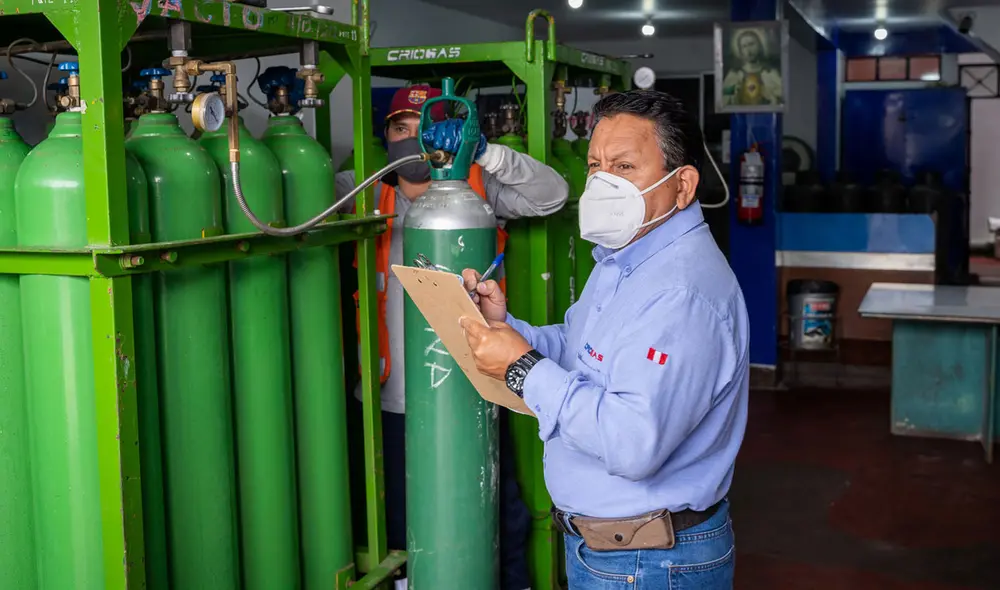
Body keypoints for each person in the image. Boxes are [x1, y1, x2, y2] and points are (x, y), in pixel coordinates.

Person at [458, 89, 749, 588]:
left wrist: (522, 367)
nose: (601, 183)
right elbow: (580, 348)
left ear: (682, 185)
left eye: (624, 166)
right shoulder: (626, 257)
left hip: (649, 563)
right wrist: (509, 332)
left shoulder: (681, 295)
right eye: (595, 166)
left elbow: (632, 443)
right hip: (616, 551)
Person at [336, 83, 569, 590]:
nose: (415, 141)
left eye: (426, 129)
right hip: (388, 400)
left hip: (475, 387)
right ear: (387, 136)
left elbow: (552, 195)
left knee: (494, 512)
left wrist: (485, 152)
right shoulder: (362, 190)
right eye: (402, 129)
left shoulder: (478, 192)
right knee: (398, 523)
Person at [722, 28, 782, 106]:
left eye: (751, 44)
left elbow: (781, 96)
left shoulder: (770, 72)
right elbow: (724, 94)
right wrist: (734, 90)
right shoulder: (734, 74)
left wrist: (770, 94)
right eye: (744, 46)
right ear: (740, 50)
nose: (748, 50)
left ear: (760, 45)